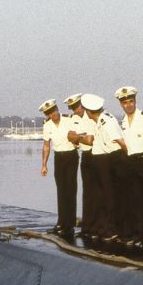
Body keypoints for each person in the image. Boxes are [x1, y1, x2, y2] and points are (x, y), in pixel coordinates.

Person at [79, 94, 126, 241]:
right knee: (103, 196)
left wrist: (127, 159)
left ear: (88, 111)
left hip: (110, 159)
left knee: (109, 196)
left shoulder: (105, 121)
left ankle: (111, 230)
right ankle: (105, 227)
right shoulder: (101, 119)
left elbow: (120, 142)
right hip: (102, 161)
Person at [40, 99, 78, 237]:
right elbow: (46, 146)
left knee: (71, 189)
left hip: (71, 156)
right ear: (47, 115)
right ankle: (61, 222)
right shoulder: (47, 126)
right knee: (61, 190)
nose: (53, 114)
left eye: (54, 110)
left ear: (57, 109)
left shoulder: (69, 120)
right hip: (59, 157)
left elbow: (79, 135)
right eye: (50, 113)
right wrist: (44, 165)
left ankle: (70, 225)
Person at [116, 86, 143, 245]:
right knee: (132, 200)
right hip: (129, 163)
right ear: (121, 104)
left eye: (131, 101)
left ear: (135, 101)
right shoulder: (122, 121)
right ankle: (136, 233)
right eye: (125, 103)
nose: (128, 105)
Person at [66, 94, 96, 238]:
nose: (76, 110)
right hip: (85, 156)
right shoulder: (74, 119)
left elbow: (91, 140)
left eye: (77, 107)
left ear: (83, 105)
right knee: (87, 191)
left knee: (98, 191)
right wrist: (81, 137)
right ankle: (88, 226)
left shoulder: (91, 116)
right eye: (73, 108)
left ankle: (98, 226)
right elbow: (70, 137)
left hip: (96, 155)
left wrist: (78, 138)